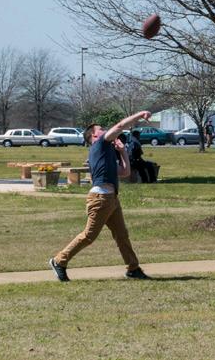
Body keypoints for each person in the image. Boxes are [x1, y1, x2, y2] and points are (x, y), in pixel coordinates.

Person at [49, 110, 153, 282]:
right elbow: (120, 126)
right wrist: (140, 114)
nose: (105, 130)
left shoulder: (106, 152)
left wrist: (122, 152)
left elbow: (125, 172)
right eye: (101, 129)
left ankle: (133, 268)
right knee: (89, 236)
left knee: (122, 235)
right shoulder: (99, 145)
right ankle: (59, 261)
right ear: (94, 136)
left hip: (111, 199)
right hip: (100, 199)